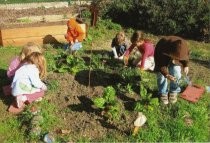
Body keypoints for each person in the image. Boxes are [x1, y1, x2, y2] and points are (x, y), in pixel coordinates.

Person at [154, 36, 190, 105]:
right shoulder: (161, 48)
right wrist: (166, 74)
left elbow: (186, 57)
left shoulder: (184, 46)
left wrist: (186, 65)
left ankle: (174, 90)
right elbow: (161, 65)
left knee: (176, 72)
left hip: (173, 52)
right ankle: (163, 92)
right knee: (161, 75)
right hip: (163, 53)